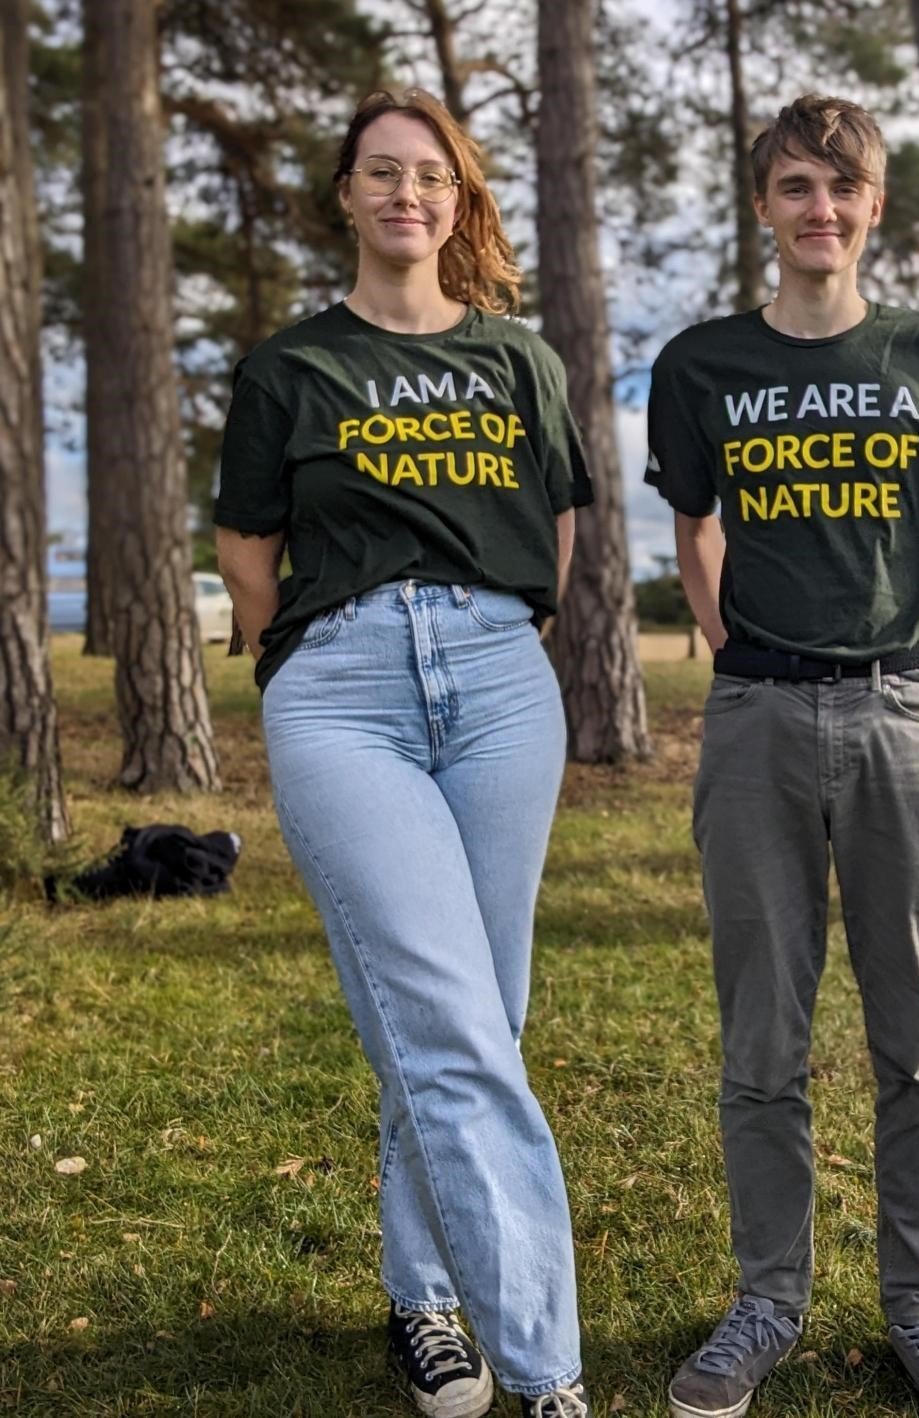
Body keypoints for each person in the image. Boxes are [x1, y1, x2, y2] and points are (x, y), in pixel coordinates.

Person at [645, 96, 919, 1418]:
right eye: (796, 185)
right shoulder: (703, 364)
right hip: (758, 715)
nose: (821, 207)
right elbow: (693, 526)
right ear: (764, 204)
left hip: (902, 714)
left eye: (844, 187)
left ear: (876, 208)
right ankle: (768, 1295)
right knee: (763, 1032)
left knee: (916, 1040)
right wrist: (728, 647)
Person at [215, 87, 593, 1418]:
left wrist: (499, 639)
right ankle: (549, 1371)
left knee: (475, 1014)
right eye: (381, 173)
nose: (405, 195)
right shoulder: (286, 369)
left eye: (428, 175)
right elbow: (247, 549)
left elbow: (554, 533)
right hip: (344, 691)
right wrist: (311, 659)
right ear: (347, 195)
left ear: (457, 196)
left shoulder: (519, 362)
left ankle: (424, 1291)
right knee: (440, 1012)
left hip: (498, 684)